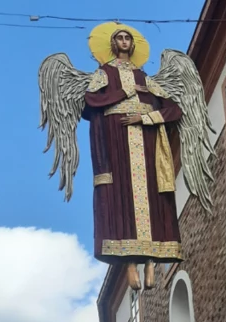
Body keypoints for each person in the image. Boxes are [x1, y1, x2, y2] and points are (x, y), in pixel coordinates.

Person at [83, 24, 184, 289]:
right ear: (113, 45)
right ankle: (129, 264)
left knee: (151, 196)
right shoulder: (104, 73)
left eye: (128, 37)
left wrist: (146, 117)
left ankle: (151, 261)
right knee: (124, 197)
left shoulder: (145, 77)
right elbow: (90, 102)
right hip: (117, 141)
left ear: (133, 44)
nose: (125, 41)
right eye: (120, 38)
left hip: (146, 140)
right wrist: (123, 93)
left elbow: (174, 109)